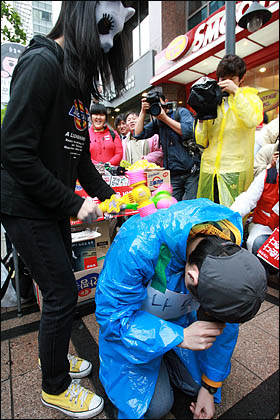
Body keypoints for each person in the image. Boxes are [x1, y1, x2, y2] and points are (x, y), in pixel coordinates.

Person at [0, 1, 134, 418]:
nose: (104, 53)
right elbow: (14, 151)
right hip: (24, 204)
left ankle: (52, 357)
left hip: (48, 204)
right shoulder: (42, 63)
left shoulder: (75, 82)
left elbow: (78, 160)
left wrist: (113, 196)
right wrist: (76, 202)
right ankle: (54, 386)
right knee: (60, 293)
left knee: (62, 289)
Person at [95, 198, 267, 419]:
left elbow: (225, 326)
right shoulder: (137, 244)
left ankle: (164, 358)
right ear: (192, 275)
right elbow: (113, 318)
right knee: (156, 407)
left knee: (198, 386)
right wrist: (177, 337)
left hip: (178, 322)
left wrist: (210, 387)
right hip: (131, 329)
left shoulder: (225, 244)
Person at [195, 54, 263, 207]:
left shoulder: (250, 98)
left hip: (235, 170)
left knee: (232, 217)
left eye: (231, 78)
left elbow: (252, 119)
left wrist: (236, 92)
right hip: (209, 170)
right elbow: (201, 140)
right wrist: (200, 119)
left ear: (241, 78)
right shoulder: (214, 102)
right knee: (209, 217)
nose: (225, 82)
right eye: (222, 78)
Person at [134, 94, 201, 201]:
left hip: (191, 172)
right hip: (172, 174)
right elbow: (138, 134)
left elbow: (188, 131)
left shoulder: (180, 112)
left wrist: (164, 118)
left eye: (158, 103)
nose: (157, 106)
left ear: (166, 101)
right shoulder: (157, 121)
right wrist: (143, 112)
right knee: (169, 206)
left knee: (191, 206)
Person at [231, 157, 279, 276]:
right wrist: (230, 216)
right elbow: (248, 199)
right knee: (259, 244)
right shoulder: (267, 176)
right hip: (264, 226)